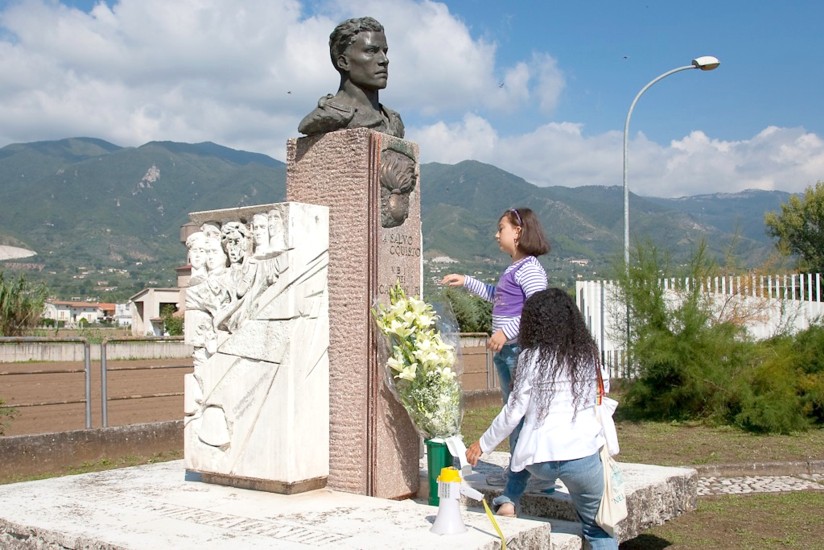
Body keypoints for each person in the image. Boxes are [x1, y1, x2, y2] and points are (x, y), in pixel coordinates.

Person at [465, 288, 617, 550]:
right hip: (582, 459)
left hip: (539, 461)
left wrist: (482, 444)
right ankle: (510, 500)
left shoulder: (529, 358)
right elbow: (604, 391)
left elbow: (513, 412)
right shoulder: (588, 356)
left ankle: (510, 499)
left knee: (525, 431)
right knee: (598, 531)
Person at [441, 207, 549, 488]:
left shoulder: (530, 269)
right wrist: (467, 281)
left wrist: (506, 333)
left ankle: (527, 475)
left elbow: (535, 310)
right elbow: (497, 297)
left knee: (520, 413)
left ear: (519, 231)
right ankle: (522, 472)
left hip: (520, 352)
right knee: (513, 412)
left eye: (501, 228)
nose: (496, 234)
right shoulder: (514, 267)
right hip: (508, 352)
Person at [298, 16, 404, 138]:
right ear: (343, 62)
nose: (384, 60)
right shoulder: (329, 115)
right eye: (370, 51)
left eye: (384, 52)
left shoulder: (393, 121)